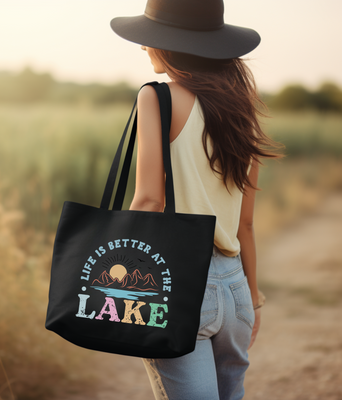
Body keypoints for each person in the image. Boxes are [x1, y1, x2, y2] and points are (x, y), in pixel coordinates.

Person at [111, 0, 284, 399]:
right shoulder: (243, 109)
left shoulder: (157, 98)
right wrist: (252, 301)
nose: (143, 47)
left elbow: (150, 201)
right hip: (236, 286)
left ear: (169, 43)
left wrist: (119, 279)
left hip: (181, 284)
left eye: (148, 39)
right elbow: (245, 225)